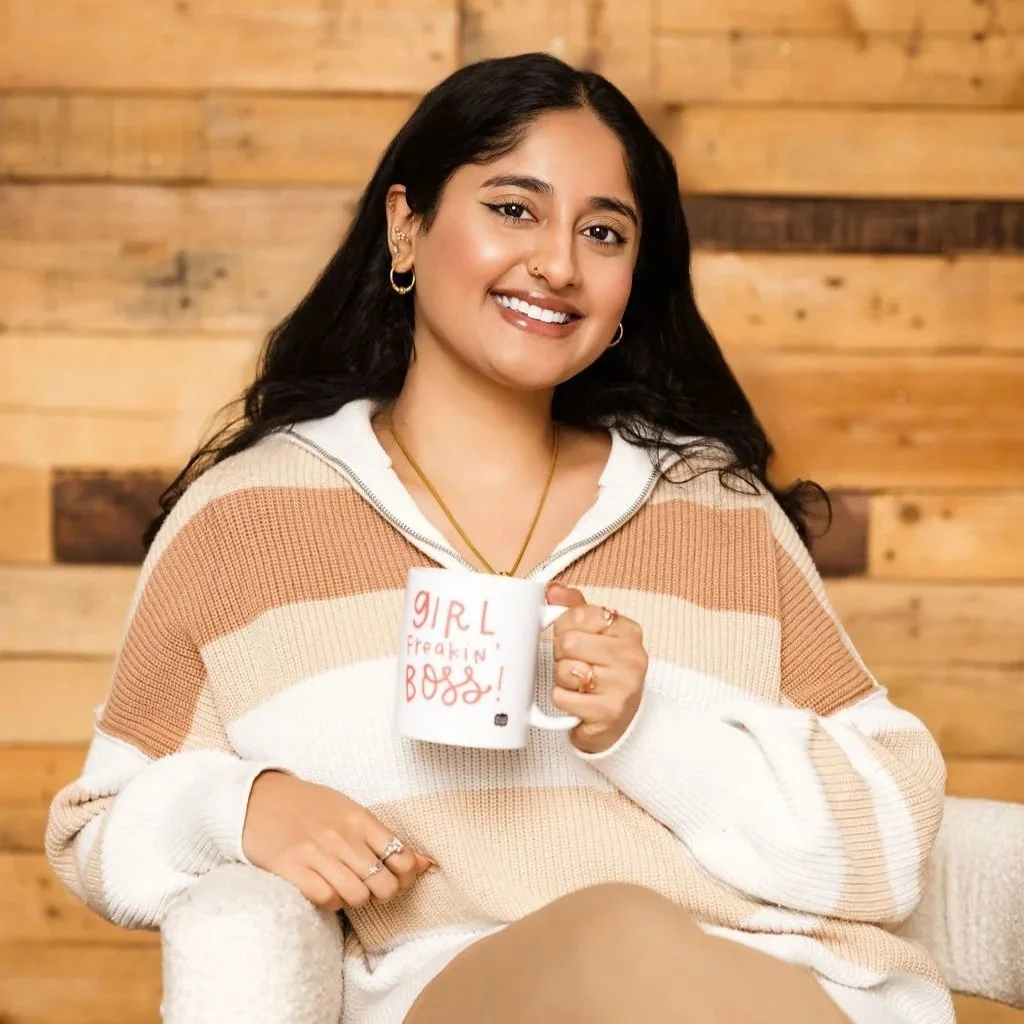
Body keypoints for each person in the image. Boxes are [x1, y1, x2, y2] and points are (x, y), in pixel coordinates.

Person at [45, 53, 954, 1024]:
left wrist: (648, 729)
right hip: (453, 988)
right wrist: (241, 807)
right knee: (612, 937)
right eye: (514, 210)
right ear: (406, 226)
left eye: (602, 233)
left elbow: (894, 834)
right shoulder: (244, 521)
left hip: (764, 981)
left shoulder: (715, 509)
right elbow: (96, 823)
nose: (558, 264)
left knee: (629, 941)